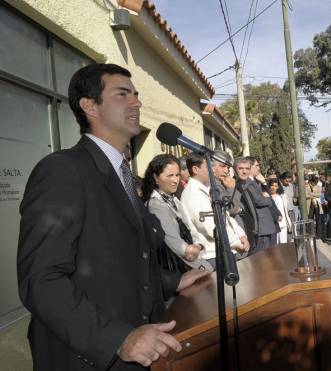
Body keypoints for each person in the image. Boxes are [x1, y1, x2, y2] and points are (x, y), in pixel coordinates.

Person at [17, 63, 210, 371]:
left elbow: (129, 262)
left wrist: (176, 280)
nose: (137, 102)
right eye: (123, 94)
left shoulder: (127, 179)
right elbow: (41, 279)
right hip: (92, 358)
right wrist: (117, 339)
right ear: (89, 106)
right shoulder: (61, 170)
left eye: (135, 94)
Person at [142, 154, 212, 271]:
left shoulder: (174, 199)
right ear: (155, 177)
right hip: (179, 269)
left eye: (177, 175)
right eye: (170, 175)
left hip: (194, 260)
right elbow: (176, 244)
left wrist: (198, 244)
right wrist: (193, 251)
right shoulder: (156, 204)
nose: (175, 180)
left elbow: (191, 228)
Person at [180, 152, 250, 268]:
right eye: (208, 167)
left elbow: (225, 215)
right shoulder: (193, 194)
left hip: (226, 249)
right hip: (213, 255)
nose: (212, 170)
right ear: (196, 169)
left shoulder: (207, 188)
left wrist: (241, 235)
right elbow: (212, 228)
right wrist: (238, 242)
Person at [234, 157, 279, 254]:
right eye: (241, 168)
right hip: (260, 227)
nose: (244, 171)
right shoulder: (246, 183)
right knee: (262, 258)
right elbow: (259, 201)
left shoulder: (250, 182)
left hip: (263, 226)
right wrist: (268, 199)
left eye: (247, 168)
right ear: (235, 169)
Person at [269, 178, 293, 243]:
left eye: (275, 186)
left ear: (278, 187)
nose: (273, 187)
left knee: (283, 243)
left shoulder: (282, 196)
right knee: (275, 244)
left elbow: (285, 210)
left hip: (283, 223)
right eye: (272, 185)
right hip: (274, 225)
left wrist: (288, 222)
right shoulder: (268, 197)